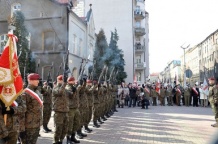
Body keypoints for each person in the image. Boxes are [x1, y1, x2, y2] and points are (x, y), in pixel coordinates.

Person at [19, 73, 43, 144]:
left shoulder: (37, 91)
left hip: (36, 124)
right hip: (28, 126)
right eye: (36, 80)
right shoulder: (25, 93)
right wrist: (21, 129)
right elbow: (22, 112)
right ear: (30, 80)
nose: (38, 81)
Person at [52, 75, 69, 144]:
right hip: (58, 112)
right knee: (58, 128)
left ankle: (61, 140)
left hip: (65, 111)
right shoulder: (55, 88)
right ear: (58, 80)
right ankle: (56, 141)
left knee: (65, 128)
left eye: (63, 80)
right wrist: (64, 84)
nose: (63, 81)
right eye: (62, 80)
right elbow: (59, 92)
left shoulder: (65, 89)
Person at [65, 76, 81, 143]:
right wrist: (74, 90)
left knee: (76, 122)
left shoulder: (74, 87)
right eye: (72, 80)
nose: (73, 81)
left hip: (75, 107)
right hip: (70, 108)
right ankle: (68, 138)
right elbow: (70, 95)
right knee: (70, 124)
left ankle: (73, 137)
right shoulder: (68, 87)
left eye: (73, 80)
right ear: (69, 81)